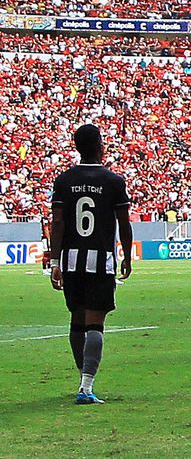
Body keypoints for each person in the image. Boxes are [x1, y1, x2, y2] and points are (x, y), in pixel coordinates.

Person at [47, 124, 133, 404]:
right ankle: (86, 385)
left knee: (77, 319)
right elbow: (124, 223)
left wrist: (55, 260)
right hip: (100, 261)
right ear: (100, 146)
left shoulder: (63, 181)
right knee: (95, 321)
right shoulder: (114, 181)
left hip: (71, 260)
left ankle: (82, 378)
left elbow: (57, 222)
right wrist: (128, 257)